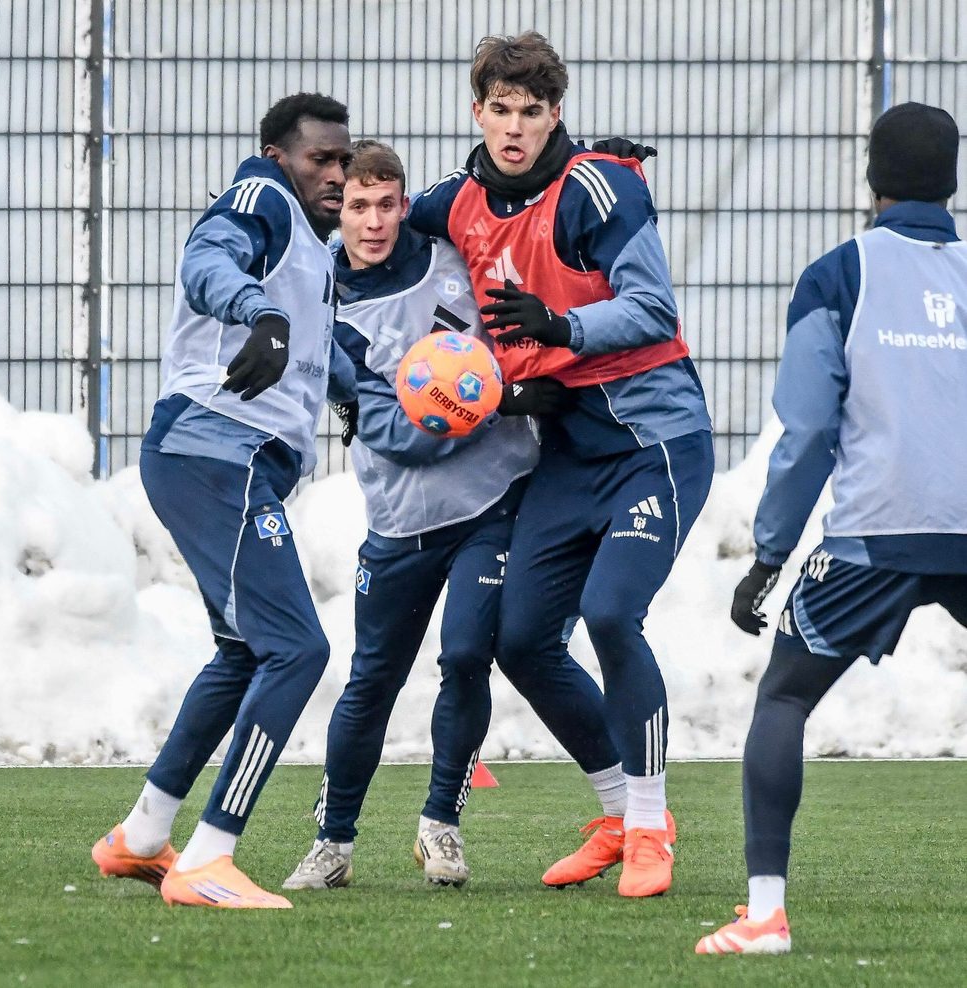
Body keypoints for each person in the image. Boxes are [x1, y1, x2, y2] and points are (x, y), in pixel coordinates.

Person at [409, 32, 714, 897]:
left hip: (655, 439)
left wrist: (561, 328)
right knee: (521, 641)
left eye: (532, 113)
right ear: (477, 112)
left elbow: (653, 308)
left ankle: (654, 825)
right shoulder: (457, 199)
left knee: (613, 614)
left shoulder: (598, 186)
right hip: (570, 452)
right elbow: (379, 220)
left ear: (555, 116)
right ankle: (617, 810)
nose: (514, 129)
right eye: (500, 110)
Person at [696, 102, 967, 955]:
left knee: (782, 697)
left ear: (871, 178)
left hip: (873, 538)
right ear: (954, 179)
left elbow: (808, 433)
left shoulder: (838, 274)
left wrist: (769, 556)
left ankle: (766, 915)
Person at [91, 92, 357, 909]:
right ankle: (210, 857)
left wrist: (377, 399)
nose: (339, 177)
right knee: (298, 650)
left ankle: (140, 837)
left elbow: (329, 364)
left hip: (230, 462)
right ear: (279, 154)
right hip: (214, 451)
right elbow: (210, 260)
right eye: (322, 160)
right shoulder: (259, 197)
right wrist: (259, 312)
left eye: (345, 161)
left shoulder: (316, 251)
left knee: (246, 651)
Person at [281, 140, 553, 891]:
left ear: (406, 204)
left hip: (493, 505)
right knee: (372, 679)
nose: (373, 221)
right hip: (400, 522)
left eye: (386, 204)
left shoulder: (451, 259)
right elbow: (395, 433)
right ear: (339, 212)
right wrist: (484, 400)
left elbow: (515, 211)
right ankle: (333, 841)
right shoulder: (325, 309)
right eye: (357, 207)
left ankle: (442, 826)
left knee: (467, 656)